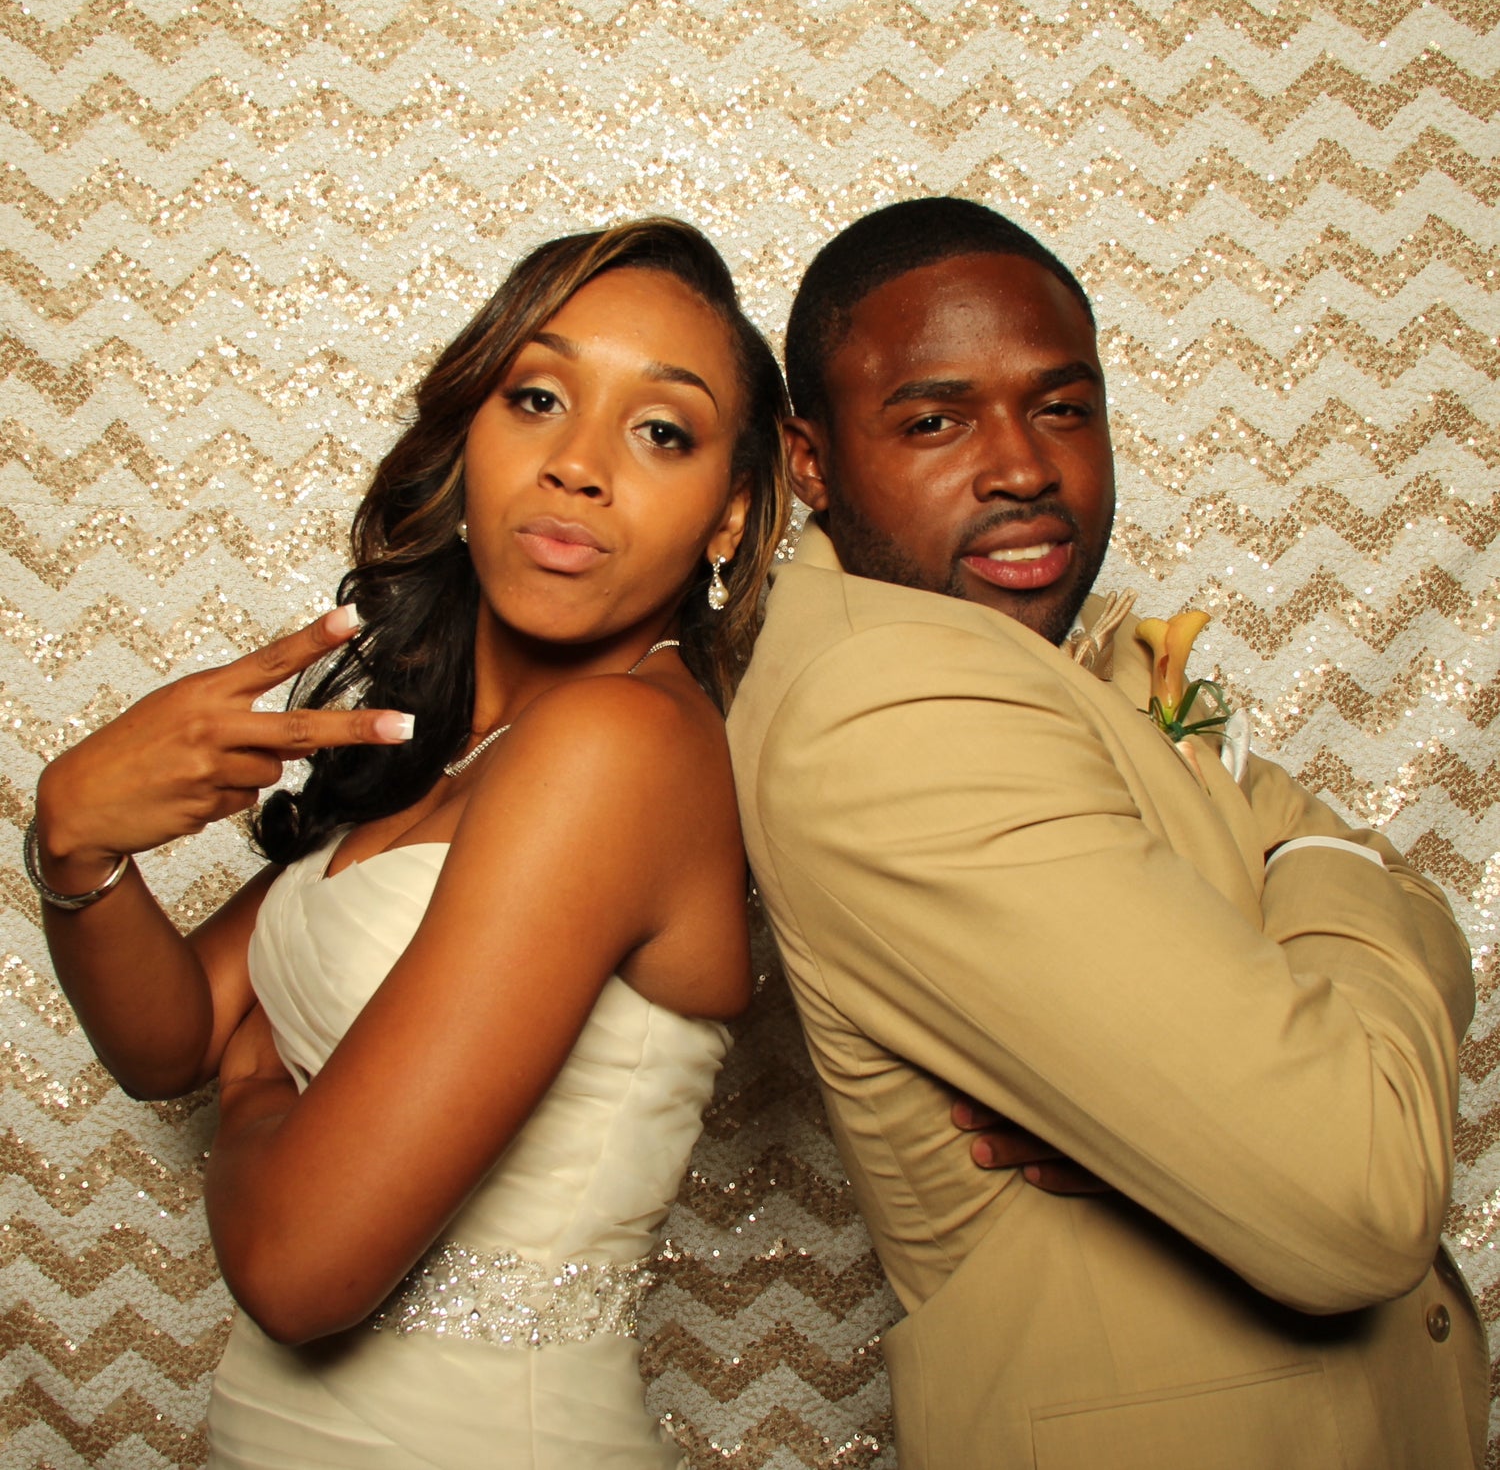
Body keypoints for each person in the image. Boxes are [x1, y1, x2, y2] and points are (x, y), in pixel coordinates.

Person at [727, 196, 1487, 1469]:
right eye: (934, 420)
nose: (1023, 467)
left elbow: (1391, 896)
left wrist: (1194, 1100)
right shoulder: (894, 705)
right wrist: (1314, 890)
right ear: (809, 460)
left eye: (1064, 407)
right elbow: (1358, 1195)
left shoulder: (1010, 662)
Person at [28, 217, 790, 1469]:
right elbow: (173, 1036)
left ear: (731, 513)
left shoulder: (621, 745)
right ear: (465, 440)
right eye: (536, 398)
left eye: (663, 430)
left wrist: (256, 1093)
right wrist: (73, 843)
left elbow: (297, 1271)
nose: (579, 465)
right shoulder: (440, 747)